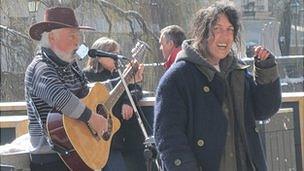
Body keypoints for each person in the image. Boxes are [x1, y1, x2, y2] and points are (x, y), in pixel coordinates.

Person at [153, 1, 281, 171]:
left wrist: (266, 69)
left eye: (230, 29)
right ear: (203, 33)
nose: (225, 36)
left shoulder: (237, 70)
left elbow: (264, 110)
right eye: (217, 29)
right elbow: (169, 138)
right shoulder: (178, 77)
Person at [25, 7, 108, 171]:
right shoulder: (40, 67)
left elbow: (88, 97)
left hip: (77, 151)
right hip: (50, 158)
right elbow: (60, 98)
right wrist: (92, 118)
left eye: (78, 35)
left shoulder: (72, 67)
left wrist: (123, 80)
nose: (77, 41)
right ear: (51, 37)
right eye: (72, 35)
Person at [83, 37, 145, 171]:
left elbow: (136, 89)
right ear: (99, 56)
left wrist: (127, 101)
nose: (116, 58)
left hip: (121, 136)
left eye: (117, 53)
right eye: (112, 54)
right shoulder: (87, 76)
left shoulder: (119, 74)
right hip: (98, 138)